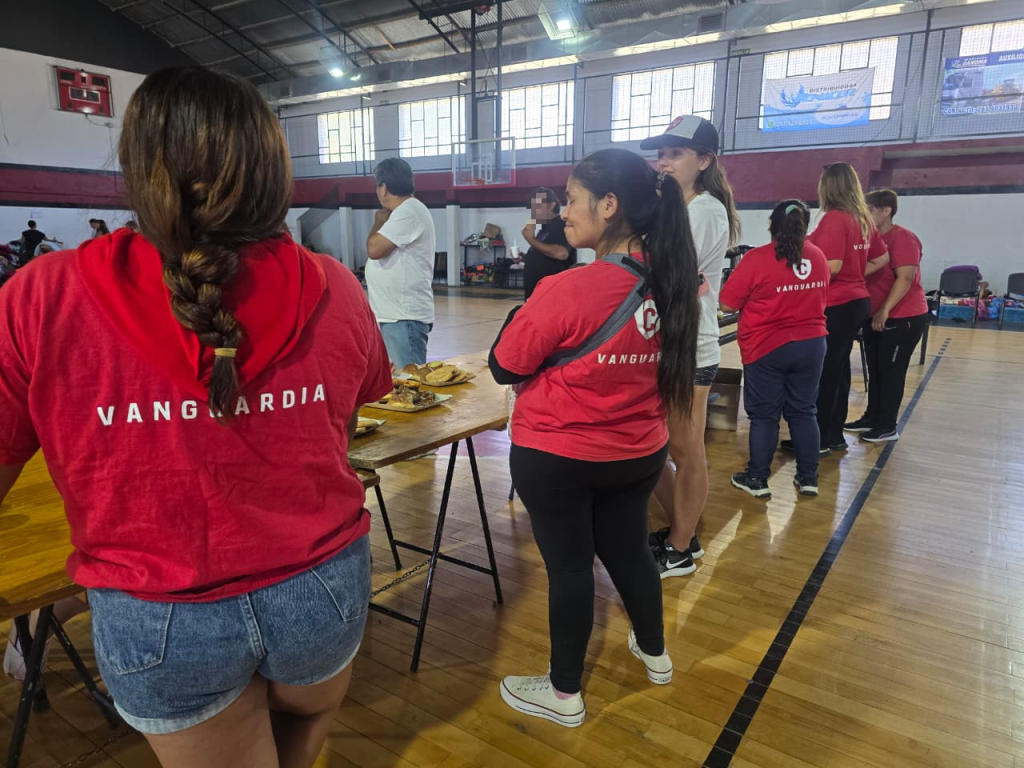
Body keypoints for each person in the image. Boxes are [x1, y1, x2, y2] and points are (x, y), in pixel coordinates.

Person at [0, 67, 392, 768]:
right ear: (271, 169)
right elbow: (350, 412)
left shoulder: (41, 296)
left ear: (140, 168)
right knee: (304, 735)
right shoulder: (335, 286)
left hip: (160, 608)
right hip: (322, 587)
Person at [489, 148, 701, 727]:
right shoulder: (676, 283)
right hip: (638, 453)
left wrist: (516, 320)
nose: (563, 211)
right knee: (629, 550)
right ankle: (654, 652)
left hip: (559, 454)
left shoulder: (571, 288)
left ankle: (564, 694)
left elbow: (505, 365)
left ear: (609, 206)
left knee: (570, 569)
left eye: (571, 199)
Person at [639, 115, 741, 578]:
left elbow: (666, 272)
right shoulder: (674, 207)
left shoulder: (703, 210)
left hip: (690, 350)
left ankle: (681, 548)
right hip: (665, 345)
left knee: (685, 450)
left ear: (704, 161)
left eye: (675, 154)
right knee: (655, 449)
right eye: (661, 154)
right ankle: (682, 531)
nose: (664, 162)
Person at [719, 201, 830, 498]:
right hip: (811, 344)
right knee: (804, 411)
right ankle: (809, 478)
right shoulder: (818, 256)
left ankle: (757, 478)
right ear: (805, 226)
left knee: (765, 416)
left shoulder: (756, 259)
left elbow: (727, 304)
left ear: (771, 224)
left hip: (767, 347)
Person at [782, 163, 888, 457]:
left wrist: (800, 283)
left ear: (828, 186)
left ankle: (816, 439)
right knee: (838, 369)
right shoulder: (862, 219)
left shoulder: (834, 218)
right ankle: (832, 434)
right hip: (857, 301)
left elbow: (832, 265)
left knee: (824, 372)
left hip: (837, 304)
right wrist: (856, 276)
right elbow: (881, 259)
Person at [844, 189, 929, 443]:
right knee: (877, 369)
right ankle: (872, 417)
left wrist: (885, 309)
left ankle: (887, 426)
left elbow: (905, 277)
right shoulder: (870, 239)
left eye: (870, 210)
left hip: (903, 317)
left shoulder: (903, 238)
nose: (865, 215)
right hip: (874, 315)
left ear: (886, 210)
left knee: (891, 372)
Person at [365, 157, 436, 368]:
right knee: (394, 383)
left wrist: (378, 222)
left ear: (384, 188)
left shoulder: (409, 211)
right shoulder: (404, 212)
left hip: (404, 318)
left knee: (408, 383)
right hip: (395, 316)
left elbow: (374, 249)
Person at [521, 187, 575, 299]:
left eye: (538, 205)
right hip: (535, 295)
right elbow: (544, 256)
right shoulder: (544, 228)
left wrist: (531, 240)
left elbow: (561, 253)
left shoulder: (560, 223)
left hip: (551, 295)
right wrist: (525, 257)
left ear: (551, 205)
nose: (534, 210)